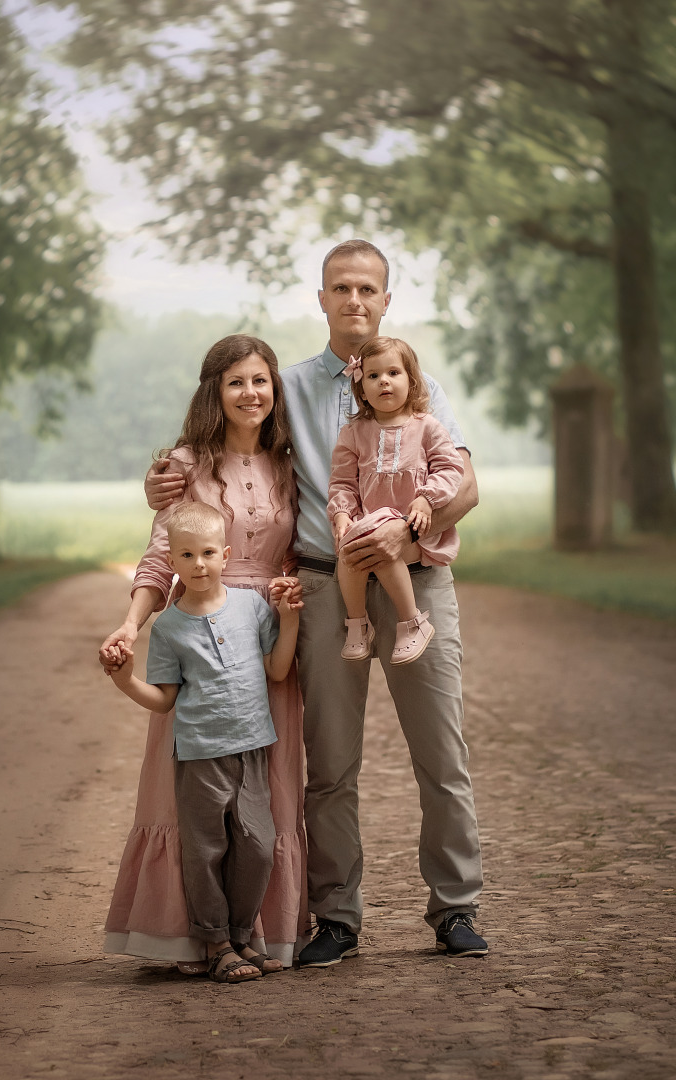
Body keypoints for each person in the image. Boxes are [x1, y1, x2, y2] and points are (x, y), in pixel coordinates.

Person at [145, 240, 489, 967]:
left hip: (416, 578)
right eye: (341, 288)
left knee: (442, 755)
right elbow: (233, 452)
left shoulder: (413, 379)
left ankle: (455, 907)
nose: (355, 300)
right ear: (323, 298)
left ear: (387, 299)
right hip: (330, 584)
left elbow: (466, 484)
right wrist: (166, 479)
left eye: (368, 288)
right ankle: (337, 916)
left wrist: (410, 526)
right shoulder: (290, 386)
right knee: (330, 765)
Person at [100, 333, 310, 976]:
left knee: (264, 797)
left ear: (276, 391)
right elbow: (162, 555)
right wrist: (133, 626)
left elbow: (304, 544)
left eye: (261, 381)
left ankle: (259, 935)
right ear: (215, 393)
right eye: (236, 382)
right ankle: (184, 938)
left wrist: (292, 597)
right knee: (184, 794)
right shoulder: (187, 465)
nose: (251, 393)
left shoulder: (293, 460)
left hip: (267, 635)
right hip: (195, 632)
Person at [103, 500, 303, 983]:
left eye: (208, 553)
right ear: (170, 563)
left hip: (253, 749)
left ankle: (240, 937)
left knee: (255, 846)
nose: (199, 564)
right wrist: (125, 681)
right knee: (205, 851)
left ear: (226, 555)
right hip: (198, 756)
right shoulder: (169, 628)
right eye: (186, 556)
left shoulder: (252, 608)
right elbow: (163, 700)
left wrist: (289, 617)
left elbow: (278, 670)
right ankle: (215, 943)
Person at [328, 336, 466, 666]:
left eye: (393, 372)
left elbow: (450, 467)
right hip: (369, 523)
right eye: (373, 376)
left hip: (412, 529)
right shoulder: (354, 433)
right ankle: (358, 623)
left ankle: (412, 622)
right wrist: (343, 515)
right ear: (361, 389)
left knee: (385, 544)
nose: (383, 381)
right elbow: (343, 482)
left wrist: (426, 500)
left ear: (411, 380)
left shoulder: (427, 427)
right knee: (349, 550)